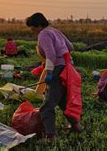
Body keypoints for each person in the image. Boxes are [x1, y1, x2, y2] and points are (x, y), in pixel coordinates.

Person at [25, 12, 81, 142]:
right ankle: (76, 126)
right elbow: (70, 47)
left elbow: (51, 54)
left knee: (47, 105)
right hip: (67, 68)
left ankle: (51, 136)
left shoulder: (43, 34)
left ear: (38, 25)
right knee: (62, 100)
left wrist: (49, 72)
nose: (32, 30)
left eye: (32, 27)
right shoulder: (55, 31)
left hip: (57, 69)